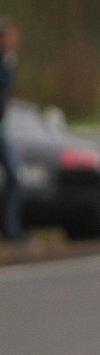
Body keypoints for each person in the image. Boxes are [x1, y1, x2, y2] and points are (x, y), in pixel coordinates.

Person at [0, 18, 27, 242]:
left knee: (14, 177)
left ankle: (11, 229)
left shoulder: (9, 61)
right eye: (10, 37)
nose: (13, 41)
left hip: (1, 128)